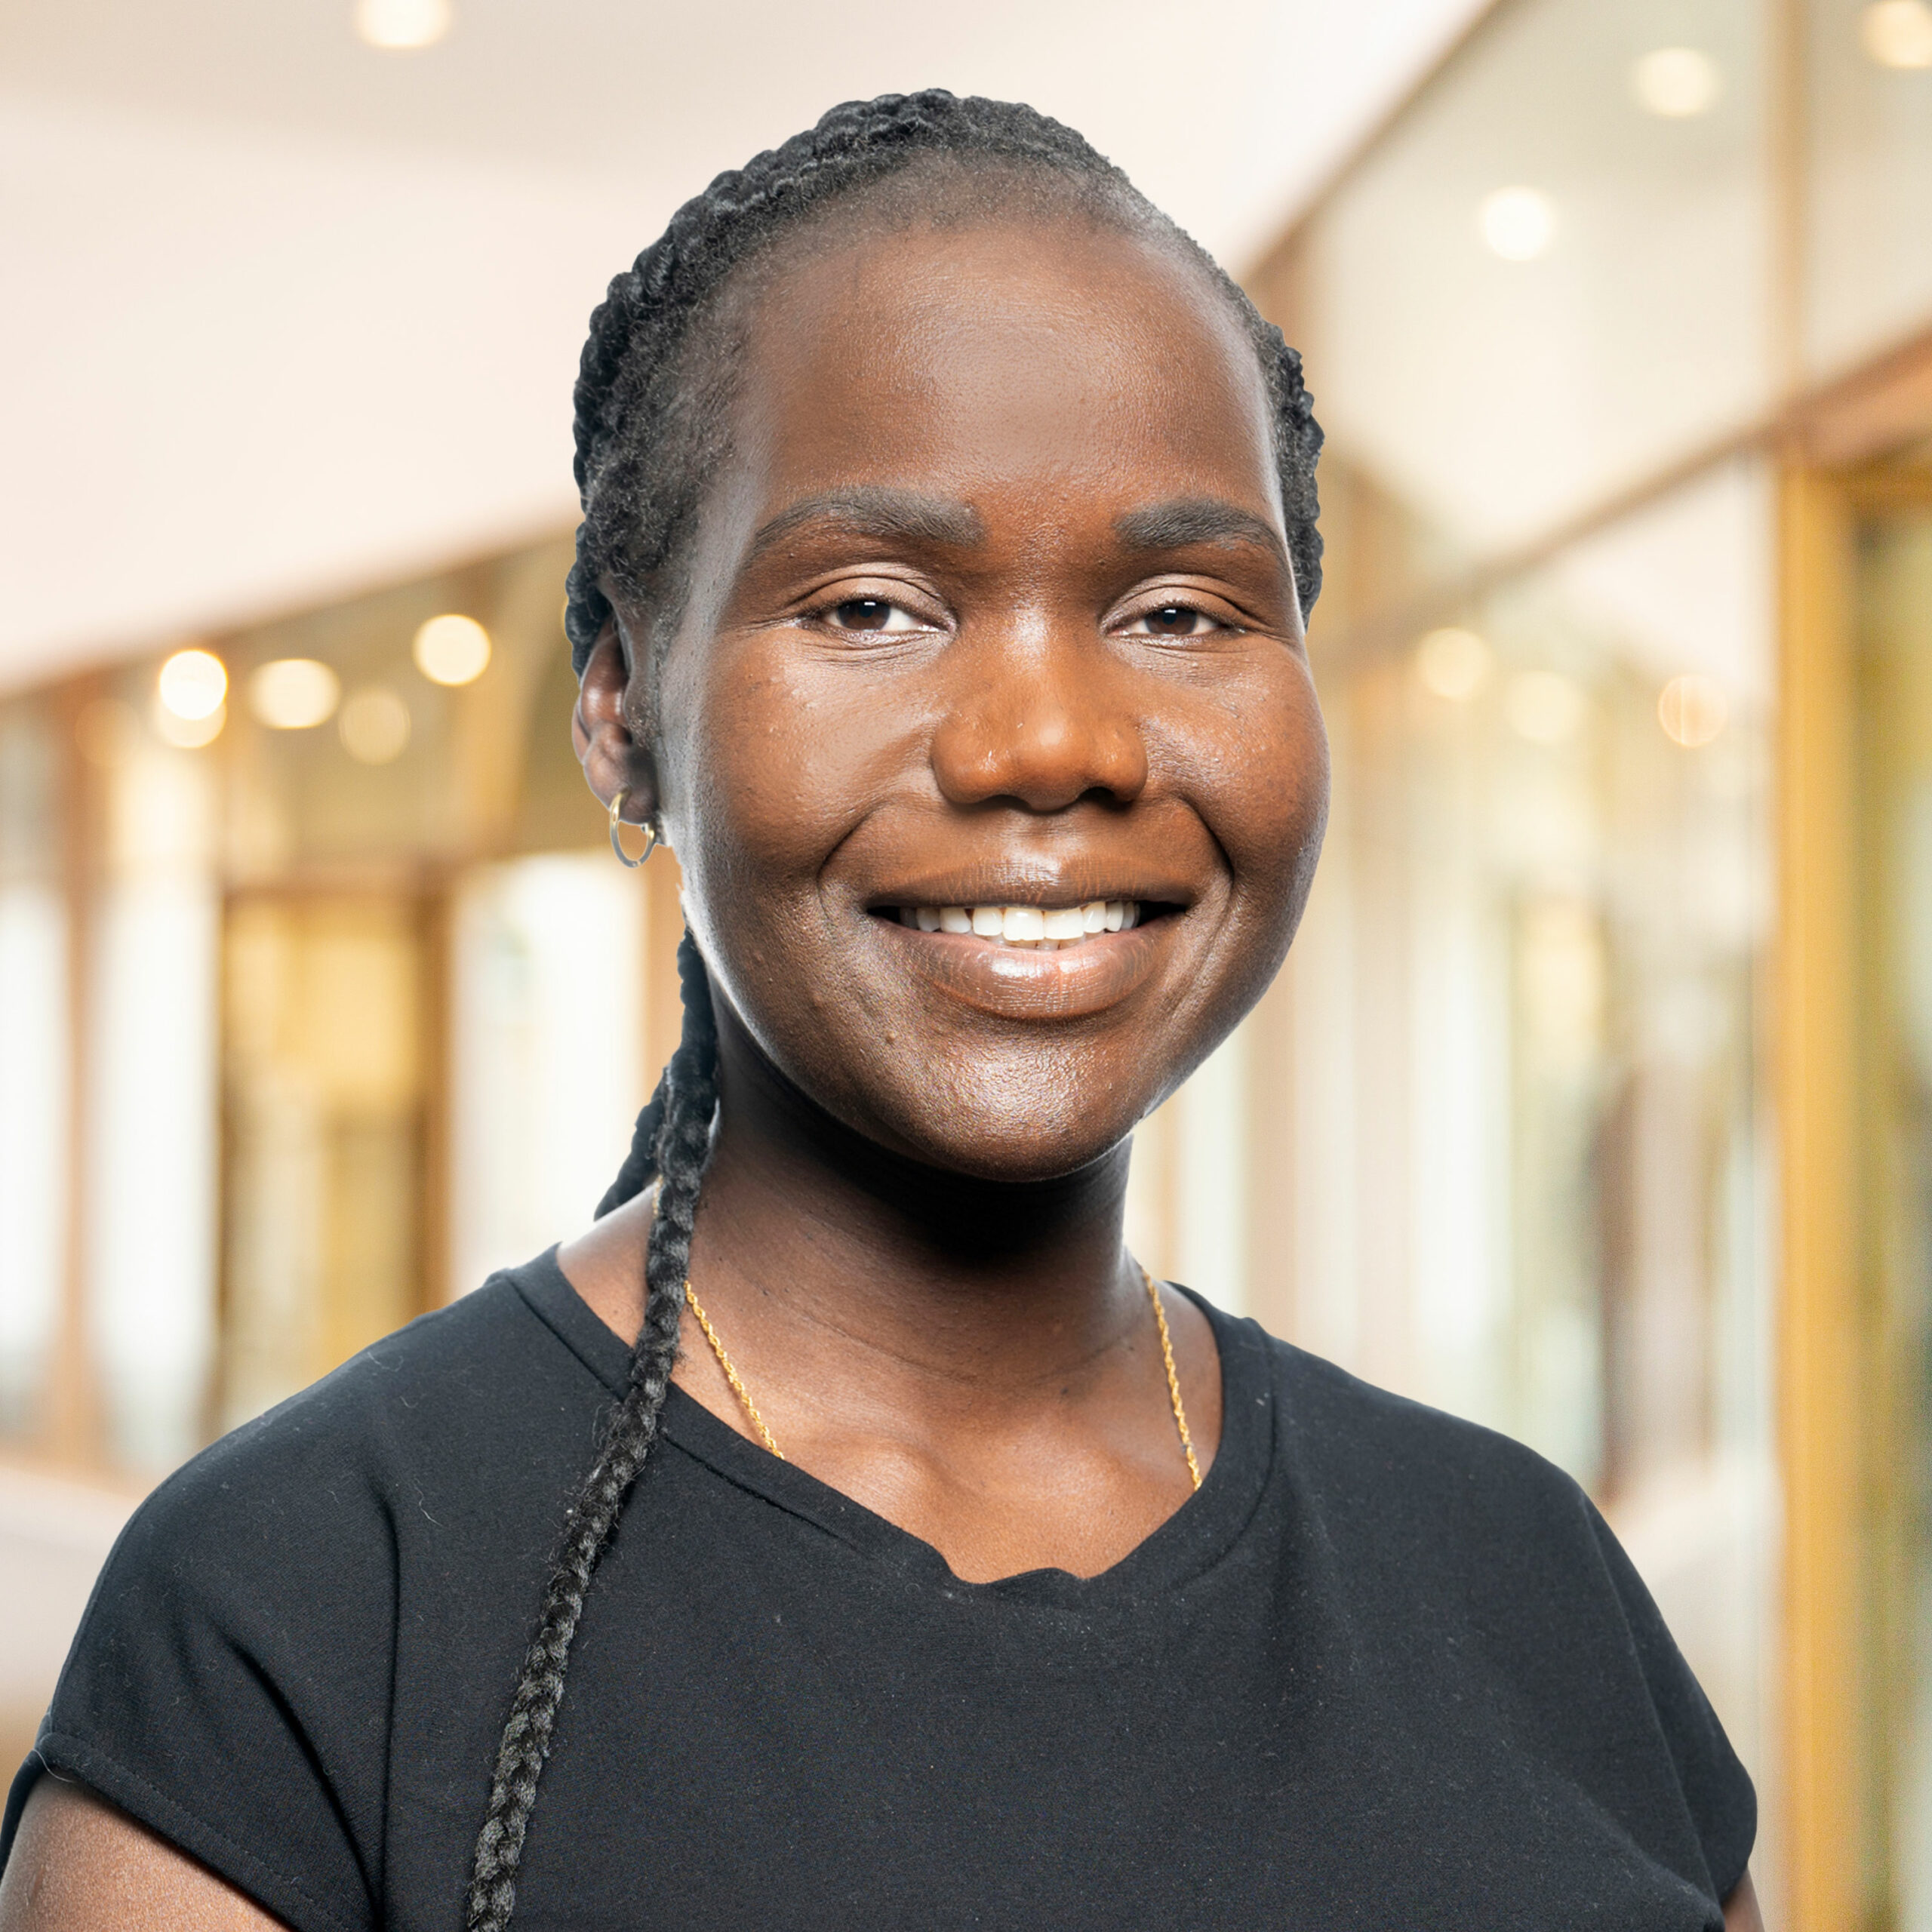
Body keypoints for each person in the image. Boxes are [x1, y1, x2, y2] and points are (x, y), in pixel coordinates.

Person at [0, 91, 1760, 1932]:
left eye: (1179, 612)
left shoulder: (1524, 1584)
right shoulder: (301, 1617)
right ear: (618, 707)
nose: (1049, 743)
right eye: (868, 606)